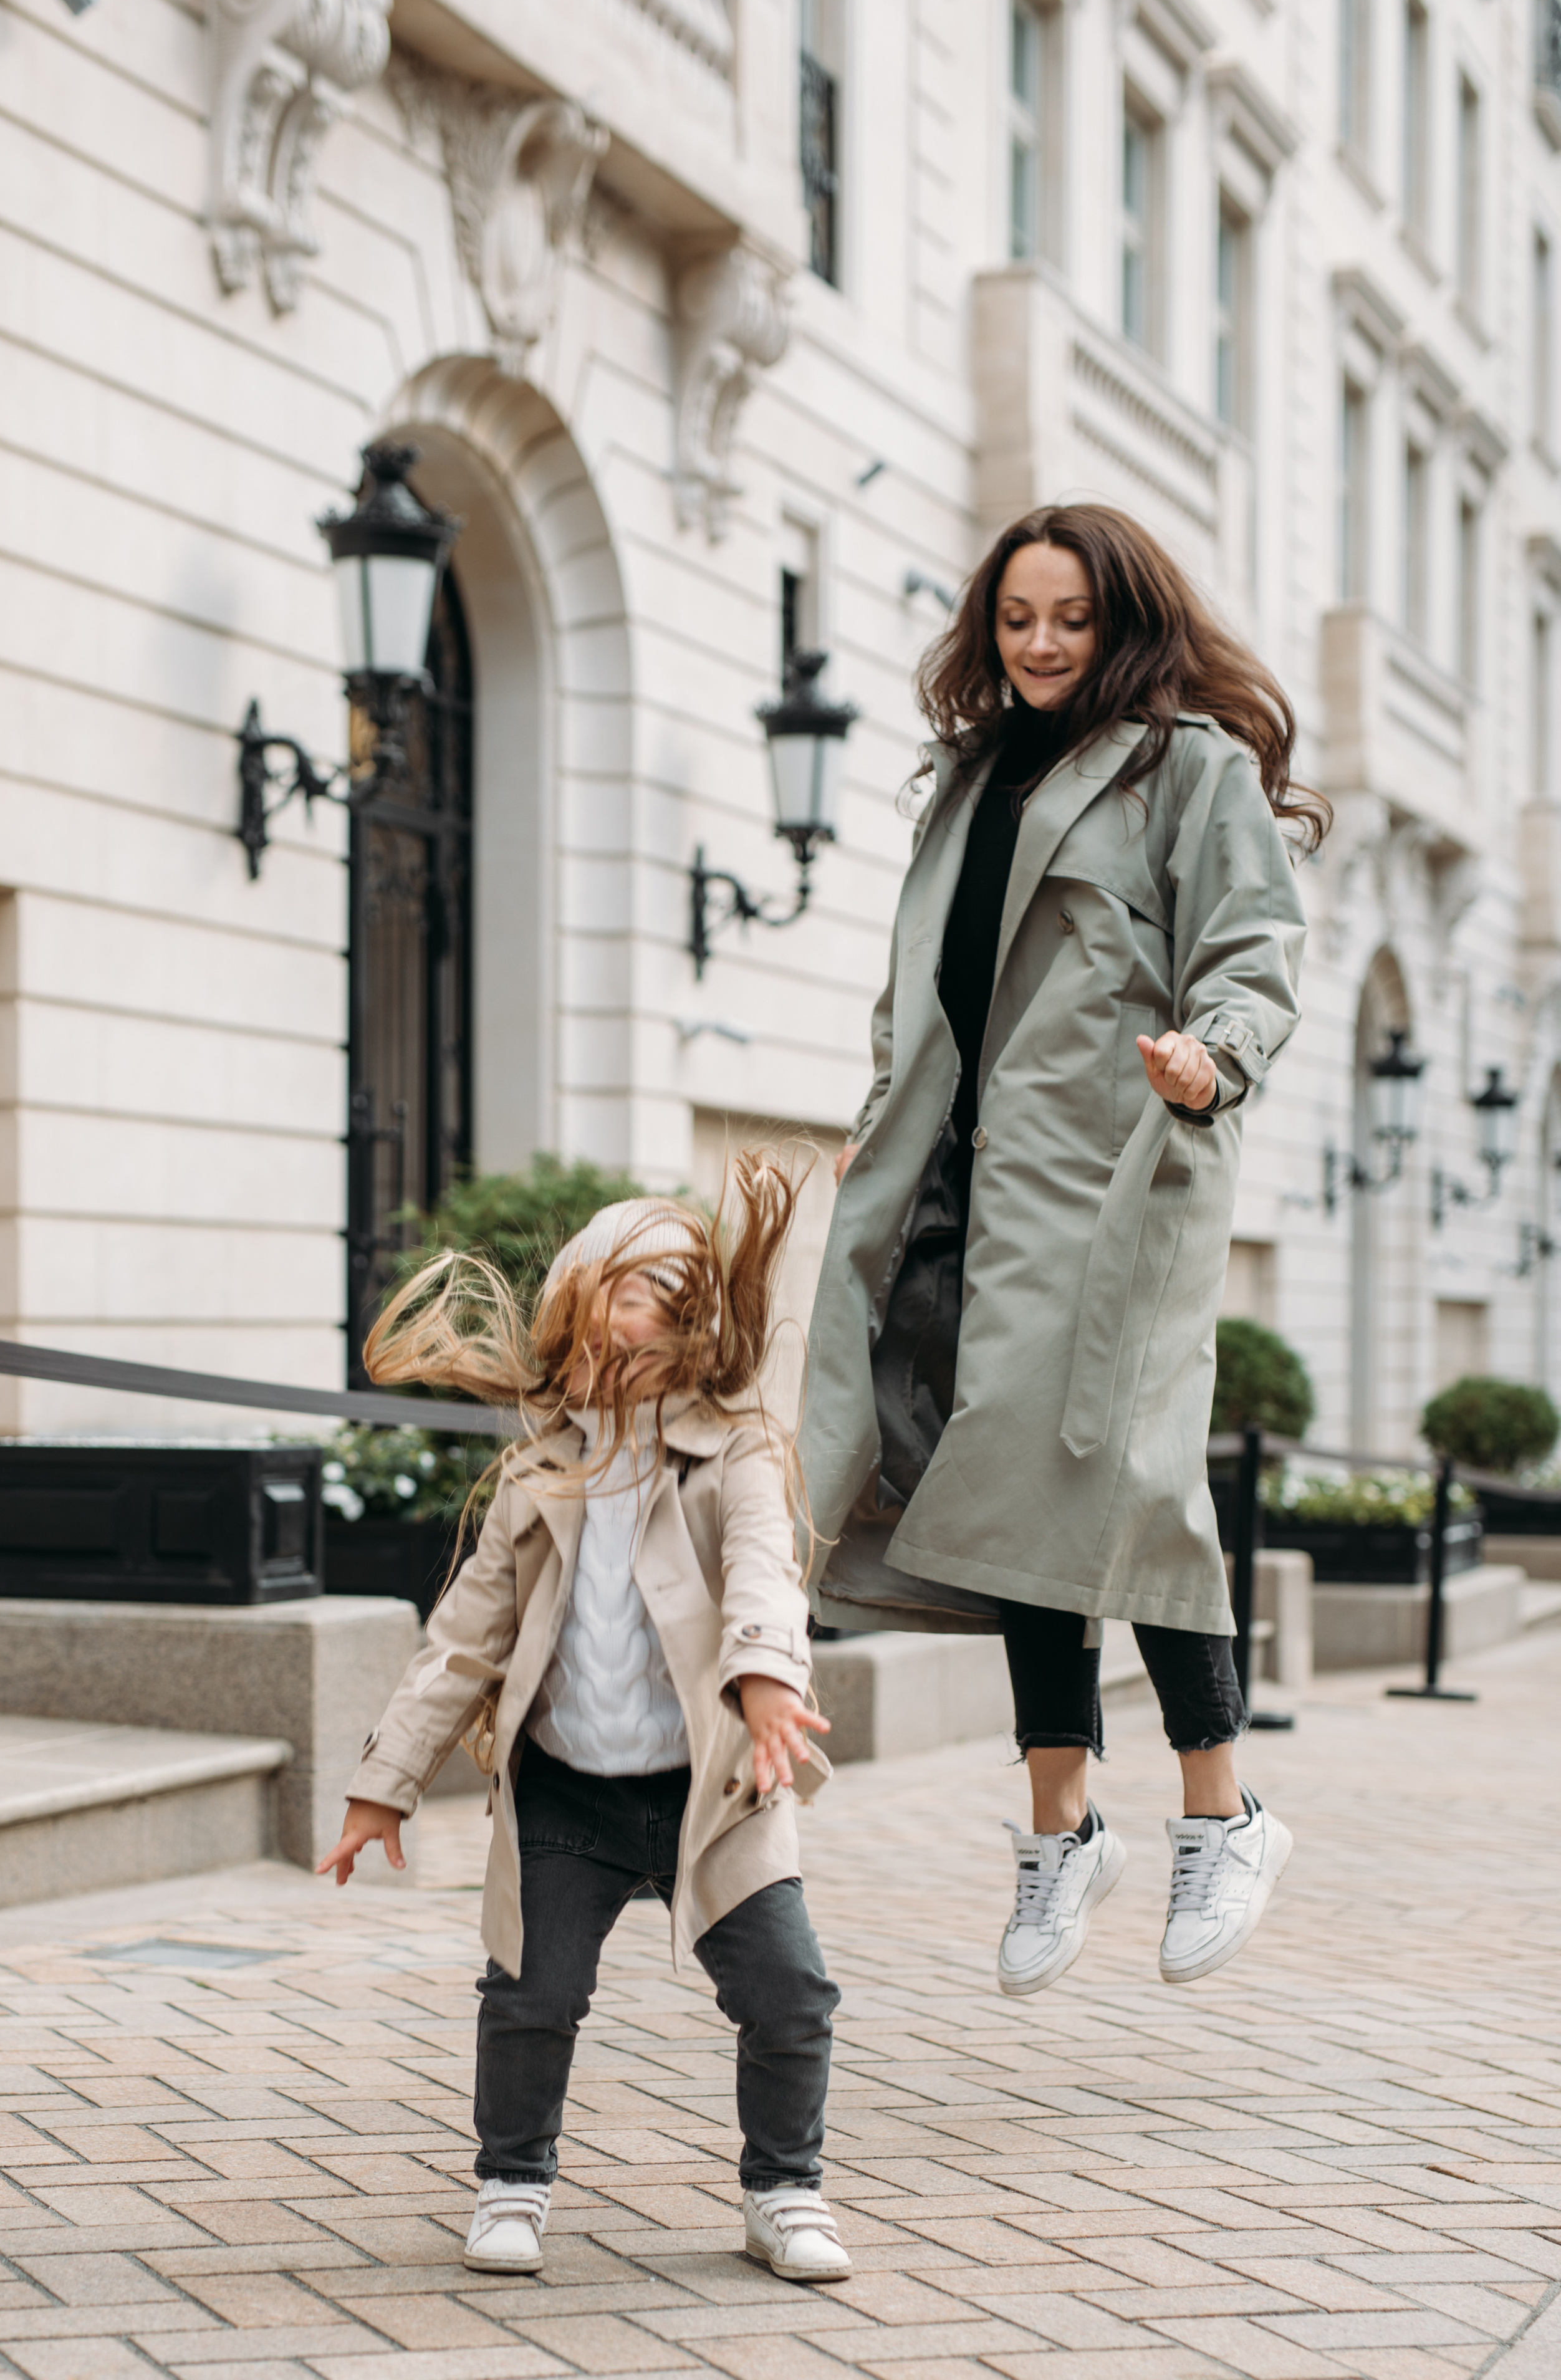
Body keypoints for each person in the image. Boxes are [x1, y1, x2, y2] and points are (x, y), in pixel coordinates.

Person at [800, 504, 1325, 1999]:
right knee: (1008, 1471)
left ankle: (1221, 1810)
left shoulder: (1189, 771)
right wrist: (879, 1123)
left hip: (1113, 1171)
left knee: (1123, 1476)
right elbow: (925, 989)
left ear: (1122, 626)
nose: (1037, 643)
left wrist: (1207, 1060)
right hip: (952, 1180)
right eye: (1016, 617)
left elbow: (1251, 953)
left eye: (1068, 620)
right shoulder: (965, 782)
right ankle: (1059, 1825)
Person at [318, 1164, 851, 2285]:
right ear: (575, 1310)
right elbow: (462, 1638)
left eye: (671, 1295)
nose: (646, 1320)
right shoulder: (537, 1473)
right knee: (532, 1994)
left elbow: (763, 1571)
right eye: (626, 1293)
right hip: (568, 1793)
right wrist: (384, 1784)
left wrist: (766, 1683)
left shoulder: (736, 1450)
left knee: (790, 1993)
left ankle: (785, 2191)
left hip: (711, 1786)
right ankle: (512, 2182)